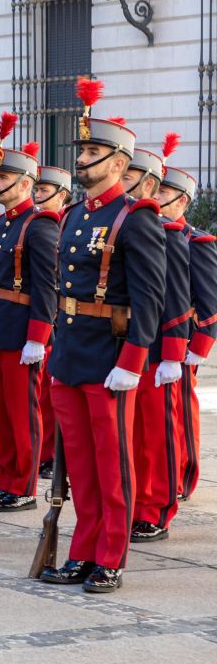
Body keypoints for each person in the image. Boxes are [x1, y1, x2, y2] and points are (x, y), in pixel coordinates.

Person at [38, 78, 164, 594]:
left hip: (110, 356)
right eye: (82, 150)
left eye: (93, 151)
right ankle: (82, 550)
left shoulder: (136, 219)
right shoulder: (71, 216)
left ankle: (109, 555)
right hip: (69, 351)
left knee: (112, 465)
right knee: (81, 466)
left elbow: (150, 298)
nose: (82, 159)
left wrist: (132, 361)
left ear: (119, 163)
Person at [0, 125, 59, 512]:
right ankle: (5, 479)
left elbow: (48, 285)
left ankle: (22, 484)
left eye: (4, 177)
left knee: (21, 412)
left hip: (21, 329)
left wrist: (38, 338)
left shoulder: (39, 225)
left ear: (25, 183)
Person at [126, 136, 190, 543]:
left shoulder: (168, 233)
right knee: (131, 435)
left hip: (154, 348)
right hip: (121, 343)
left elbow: (179, 299)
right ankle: (135, 503)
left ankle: (157, 507)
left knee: (157, 434)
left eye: (133, 176)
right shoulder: (118, 222)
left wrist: (175, 354)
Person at [153, 155, 217, 501]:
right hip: (151, 338)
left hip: (182, 339)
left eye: (165, 192)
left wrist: (199, 348)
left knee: (179, 413)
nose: (157, 197)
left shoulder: (197, 241)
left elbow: (208, 301)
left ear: (183, 201)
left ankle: (184, 472)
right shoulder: (148, 232)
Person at [32, 165, 73, 478]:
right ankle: (46, 454)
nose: (37, 196)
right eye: (37, 189)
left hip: (59, 322)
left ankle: (55, 456)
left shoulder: (60, 226)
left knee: (54, 398)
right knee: (45, 398)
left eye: (44, 191)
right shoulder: (37, 225)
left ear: (62, 195)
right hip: (48, 318)